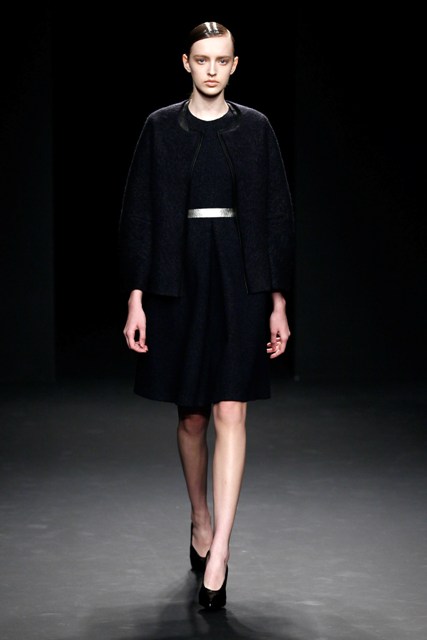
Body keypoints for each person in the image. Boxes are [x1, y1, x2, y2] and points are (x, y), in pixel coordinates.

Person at [118, 21, 295, 610]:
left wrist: (278, 302)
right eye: (203, 59)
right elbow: (139, 214)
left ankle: (219, 551)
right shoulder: (160, 127)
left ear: (235, 65)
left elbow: (276, 215)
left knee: (231, 409)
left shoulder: (257, 129)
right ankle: (199, 517)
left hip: (240, 279)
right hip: (179, 278)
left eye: (222, 60)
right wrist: (136, 296)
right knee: (192, 415)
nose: (212, 69)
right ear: (186, 63)